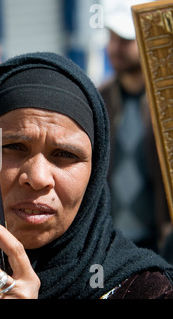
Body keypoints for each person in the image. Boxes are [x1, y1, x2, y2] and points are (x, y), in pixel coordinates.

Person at [0, 52, 173, 299]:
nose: (37, 178)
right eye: (13, 146)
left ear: (95, 172)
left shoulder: (144, 290)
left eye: (65, 154)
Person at [100, 0, 172, 254]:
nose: (114, 47)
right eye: (111, 38)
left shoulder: (166, 102)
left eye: (124, 40)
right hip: (113, 244)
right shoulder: (100, 99)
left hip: (160, 243)